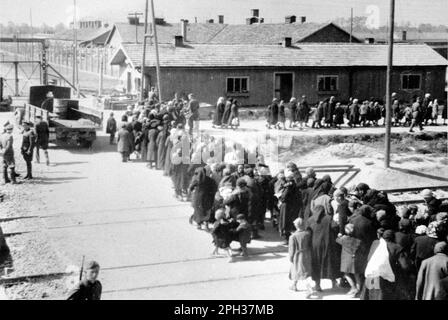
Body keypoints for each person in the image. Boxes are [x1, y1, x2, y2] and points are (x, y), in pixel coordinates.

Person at [361, 230, 412, 300]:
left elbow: (368, 258)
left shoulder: (375, 244)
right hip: (387, 279)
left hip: (371, 276)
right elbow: (405, 265)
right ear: (394, 238)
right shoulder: (397, 247)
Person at [306, 205, 339, 292]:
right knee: (329, 264)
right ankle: (333, 283)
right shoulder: (328, 218)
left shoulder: (310, 220)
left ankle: (317, 286)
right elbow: (335, 227)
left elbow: (308, 233)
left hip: (315, 246)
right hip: (327, 245)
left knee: (316, 265)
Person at [336, 224, 363, 297]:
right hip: (355, 259)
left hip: (346, 259)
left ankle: (353, 287)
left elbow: (337, 240)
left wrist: (339, 235)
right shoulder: (358, 240)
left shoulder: (343, 239)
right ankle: (358, 290)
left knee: (346, 274)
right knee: (356, 275)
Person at [288, 217, 313, 295]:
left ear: (296, 226)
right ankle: (294, 285)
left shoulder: (293, 236)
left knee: (298, 271)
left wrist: (291, 257)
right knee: (305, 271)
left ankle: (309, 288)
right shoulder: (308, 234)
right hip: (307, 254)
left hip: (297, 255)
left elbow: (292, 249)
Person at [278, 169, 302, 244]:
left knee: (285, 222)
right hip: (291, 205)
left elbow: (284, 196)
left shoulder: (289, 186)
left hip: (287, 206)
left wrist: (280, 197)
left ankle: (287, 239)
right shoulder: (294, 184)